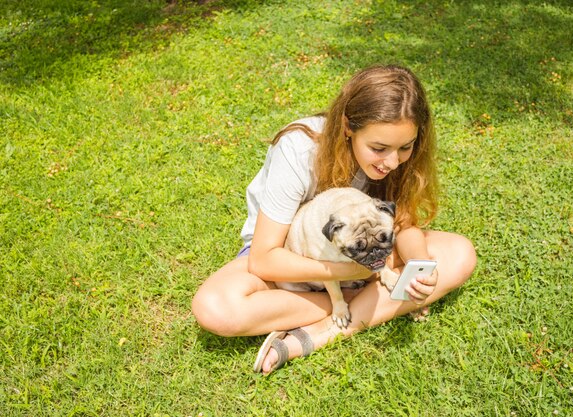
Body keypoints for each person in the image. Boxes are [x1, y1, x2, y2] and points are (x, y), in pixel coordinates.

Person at [192, 65, 477, 375]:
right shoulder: (300, 149)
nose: (392, 162)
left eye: (405, 148)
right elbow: (264, 260)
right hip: (292, 262)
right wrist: (352, 272)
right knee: (215, 307)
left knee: (460, 254)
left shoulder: (396, 161)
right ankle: (364, 303)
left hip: (364, 259)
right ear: (347, 127)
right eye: (379, 148)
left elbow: (403, 224)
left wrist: (420, 267)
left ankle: (320, 332)